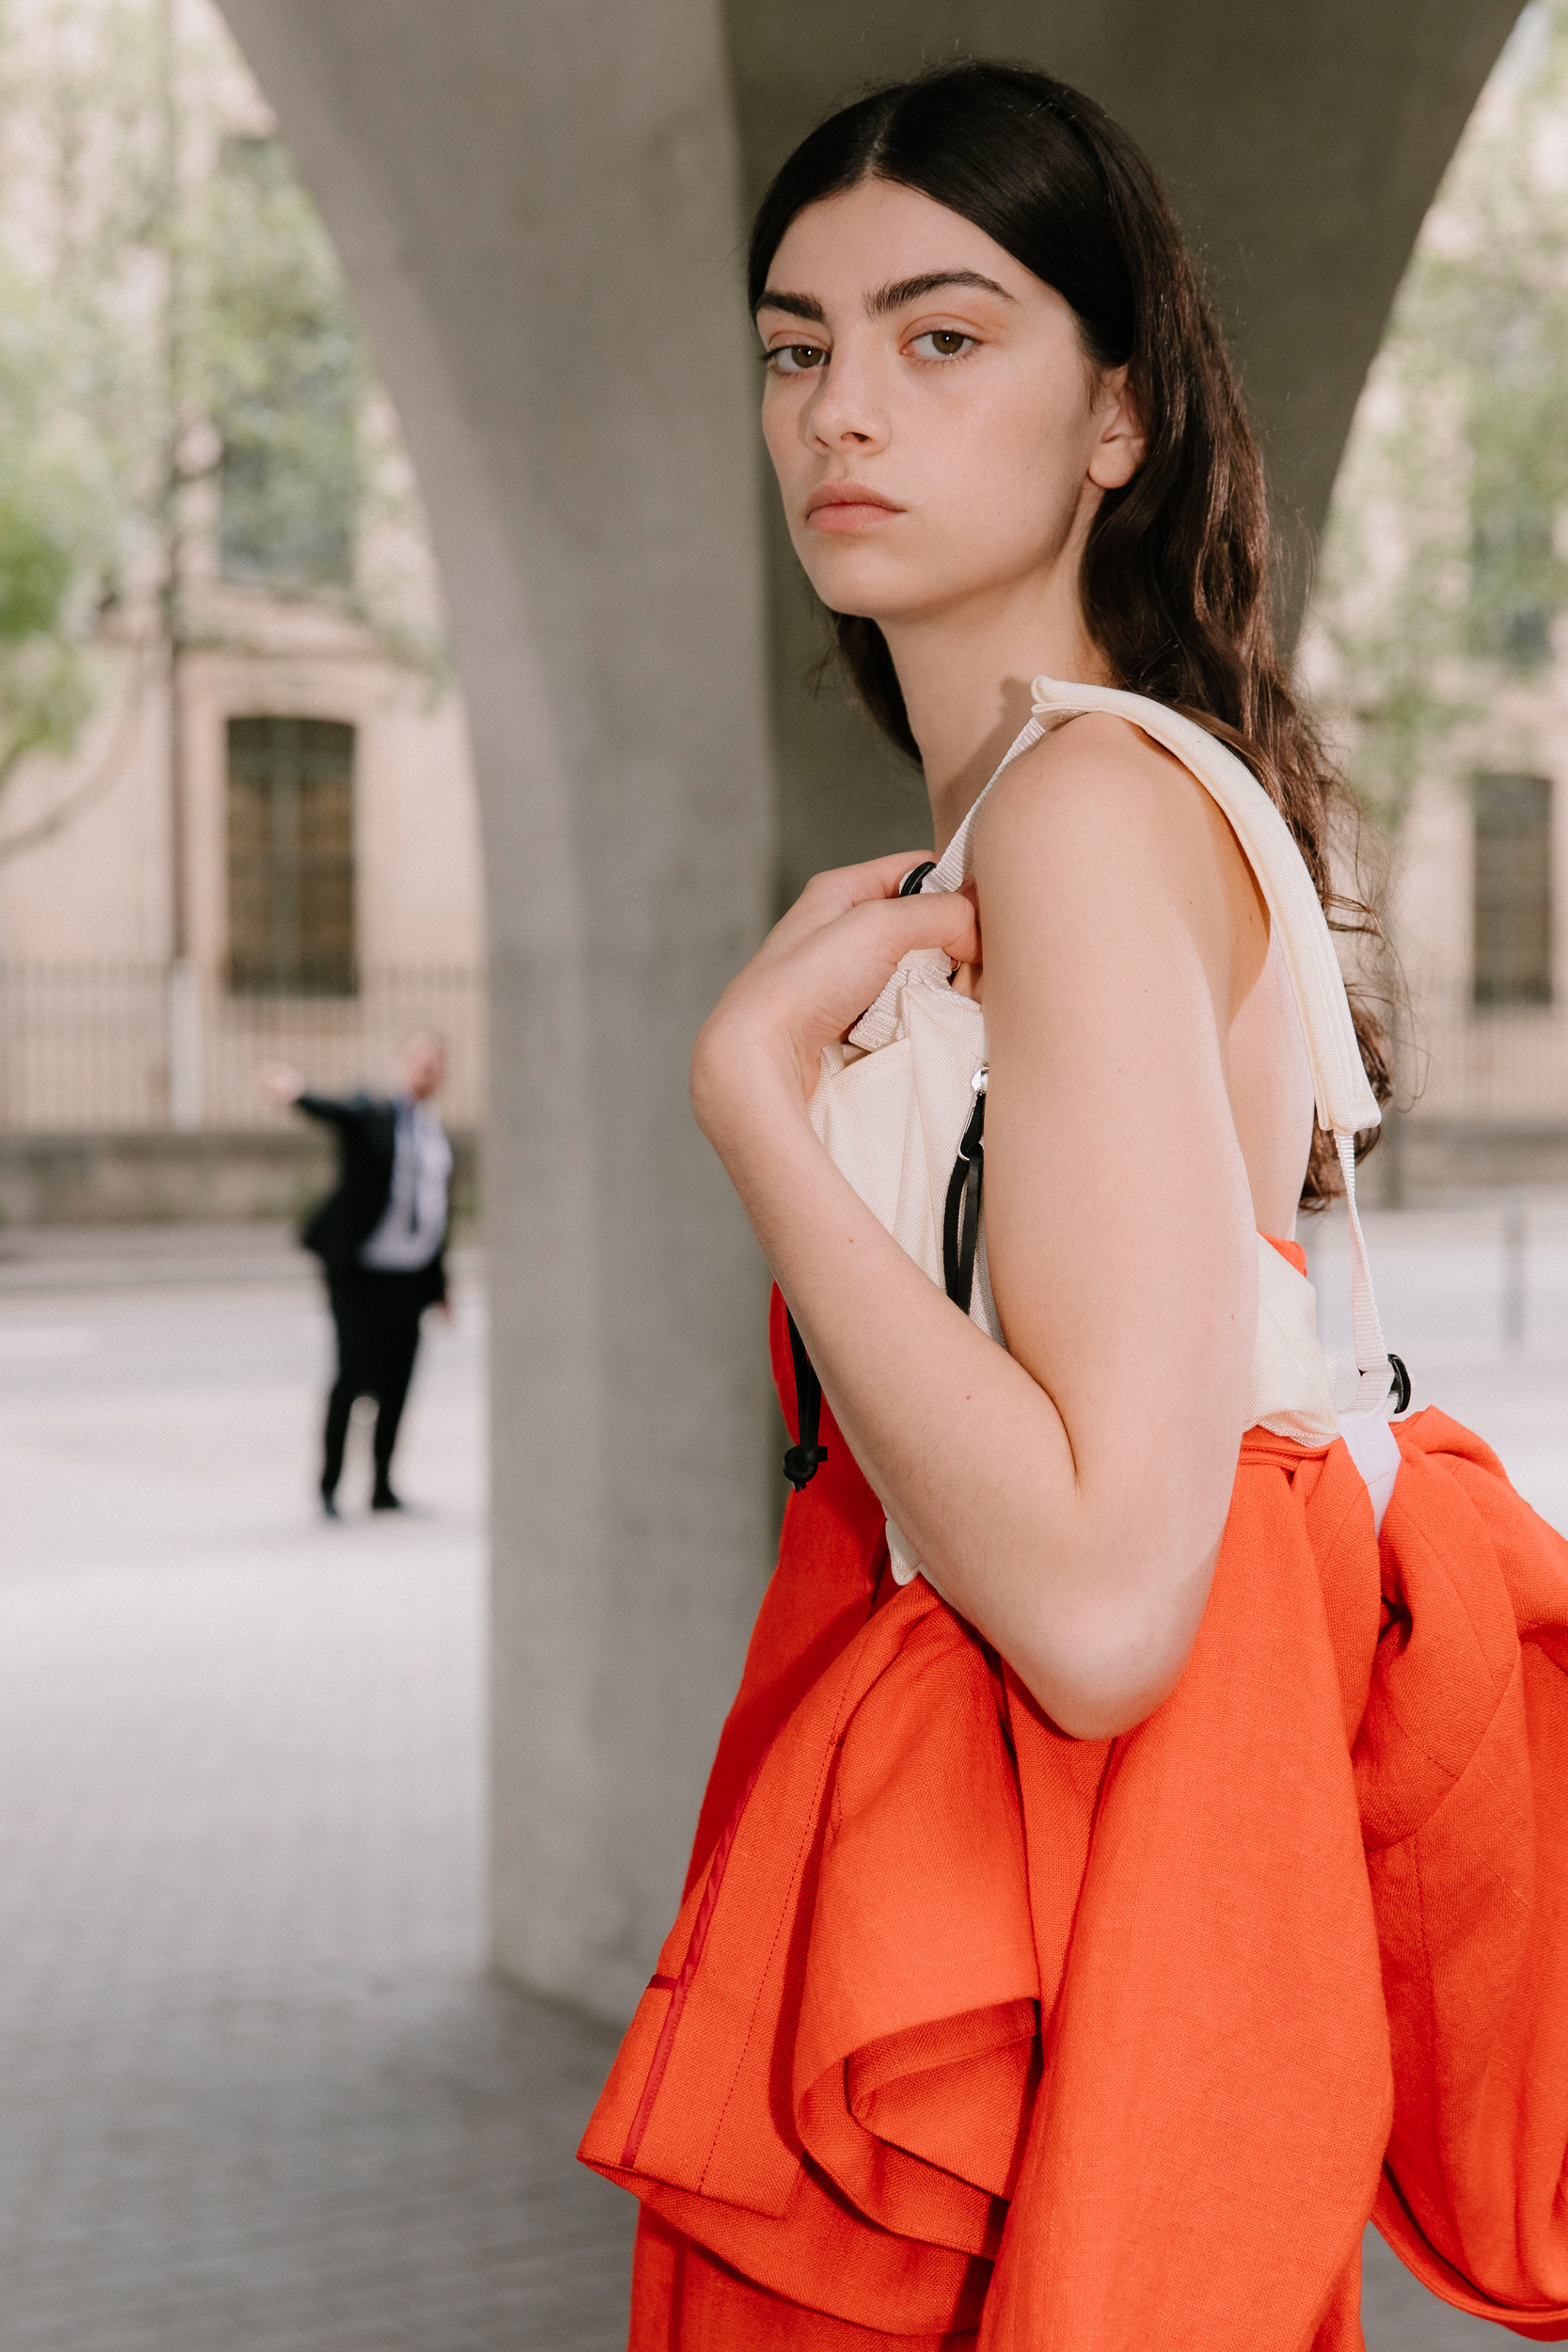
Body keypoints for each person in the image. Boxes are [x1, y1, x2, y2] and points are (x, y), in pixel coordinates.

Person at [578, 62, 1568, 2352]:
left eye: (945, 336)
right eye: (797, 345)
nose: (847, 407)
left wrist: (751, 1101)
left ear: (1116, 418)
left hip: (1062, 1937)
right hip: (1035, 1924)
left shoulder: (1084, 822)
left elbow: (1112, 1600)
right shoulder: (1046, 808)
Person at [259, 1032, 451, 1516]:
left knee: (399, 1381)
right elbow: (338, 1114)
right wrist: (299, 1093)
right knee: (350, 1377)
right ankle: (329, 1486)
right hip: (363, 1274)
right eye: (419, 1062)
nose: (426, 1072)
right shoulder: (378, 1114)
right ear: (402, 1063)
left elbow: (435, 1213)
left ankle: (383, 1484)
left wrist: (440, 1287)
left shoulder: (434, 1133)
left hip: (410, 1278)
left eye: (435, 1065)